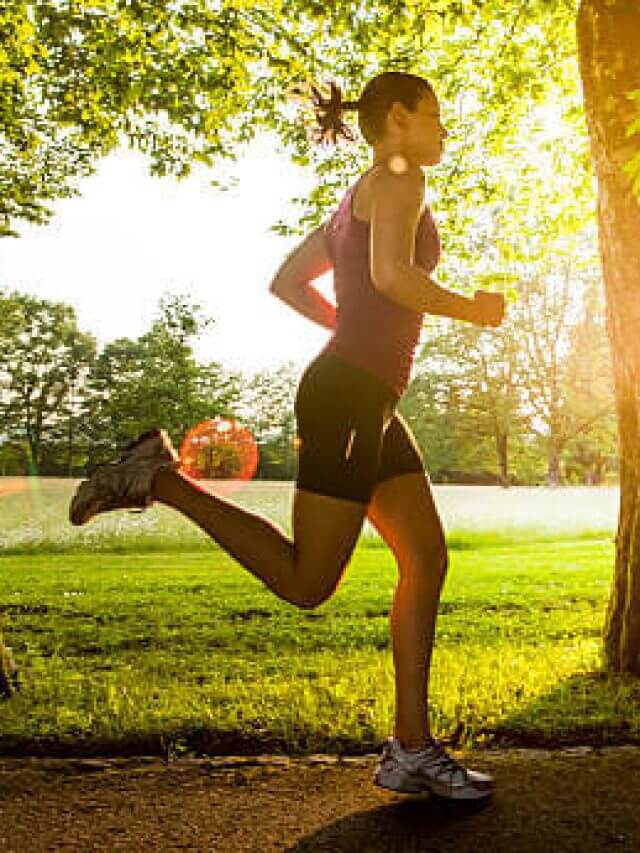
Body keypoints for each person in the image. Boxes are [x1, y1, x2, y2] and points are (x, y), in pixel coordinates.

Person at [70, 71, 504, 800]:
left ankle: (411, 747)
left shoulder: (353, 198)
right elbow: (393, 277)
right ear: (397, 118)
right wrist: (472, 308)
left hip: (362, 393)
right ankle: (160, 477)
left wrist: (357, 333)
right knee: (309, 582)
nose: (442, 129)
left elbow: (289, 281)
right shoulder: (400, 177)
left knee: (425, 559)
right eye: (434, 115)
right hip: (349, 397)